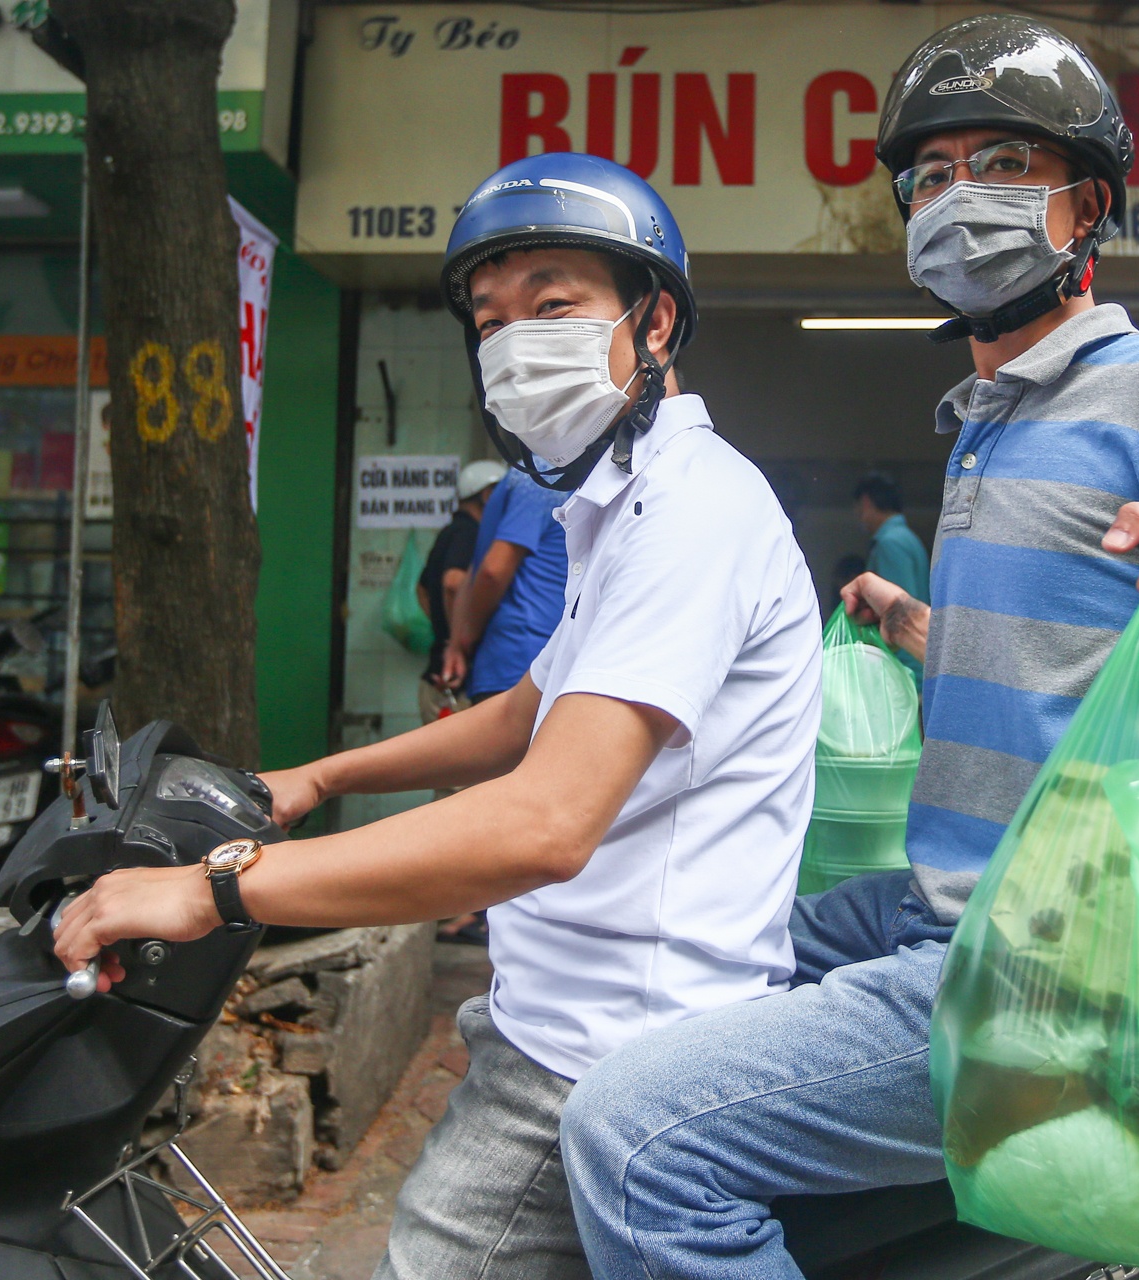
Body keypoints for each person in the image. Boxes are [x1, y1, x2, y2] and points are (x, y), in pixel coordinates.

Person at [556, 15, 1139, 1280]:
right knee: (691, 945)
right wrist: (915, 629)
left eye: (1005, 164)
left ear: (1090, 204)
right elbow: (1060, 666)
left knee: (634, 1137)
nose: (962, 198)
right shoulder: (980, 426)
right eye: (934, 174)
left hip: (1069, 953)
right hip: (939, 895)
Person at [48, 152, 822, 1280]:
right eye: (492, 317)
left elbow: (544, 820)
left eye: (555, 305)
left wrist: (214, 887)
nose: (515, 341)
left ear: (653, 322)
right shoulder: (615, 502)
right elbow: (523, 710)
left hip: (604, 1053)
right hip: (559, 1014)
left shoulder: (691, 509)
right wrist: (319, 776)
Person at [441, 463, 570, 701]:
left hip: (506, 663)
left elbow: (474, 573)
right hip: (528, 663)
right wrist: (468, 635)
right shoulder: (542, 473)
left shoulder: (519, 478)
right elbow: (493, 570)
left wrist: (457, 643)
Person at [418, 458, 505, 725]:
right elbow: (454, 583)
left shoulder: (450, 531)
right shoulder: (470, 533)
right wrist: (459, 643)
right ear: (488, 496)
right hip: (456, 684)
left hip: (436, 679)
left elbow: (422, 590)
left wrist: (442, 629)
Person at [852, 472, 928, 676]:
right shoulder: (906, 538)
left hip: (907, 670)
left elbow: (899, 613)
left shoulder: (890, 544)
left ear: (866, 503)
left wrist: (899, 674)